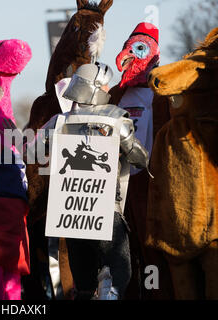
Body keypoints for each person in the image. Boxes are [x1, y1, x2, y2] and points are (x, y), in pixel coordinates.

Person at [37, 63, 150, 300]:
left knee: (84, 284)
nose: (109, 88)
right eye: (105, 83)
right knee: (120, 270)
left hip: (70, 213)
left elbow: (34, 152)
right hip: (105, 209)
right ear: (95, 87)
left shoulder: (57, 122)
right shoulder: (117, 119)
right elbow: (140, 158)